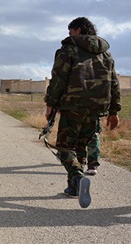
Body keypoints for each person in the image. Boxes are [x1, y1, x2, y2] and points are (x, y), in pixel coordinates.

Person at [44, 17, 121, 208]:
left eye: (70, 31)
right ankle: (73, 187)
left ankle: (77, 177)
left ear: (78, 30)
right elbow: (114, 84)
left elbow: (58, 80)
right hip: (97, 108)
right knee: (81, 146)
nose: (68, 35)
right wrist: (114, 111)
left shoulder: (68, 50)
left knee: (64, 147)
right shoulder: (106, 55)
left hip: (73, 106)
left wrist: (50, 104)